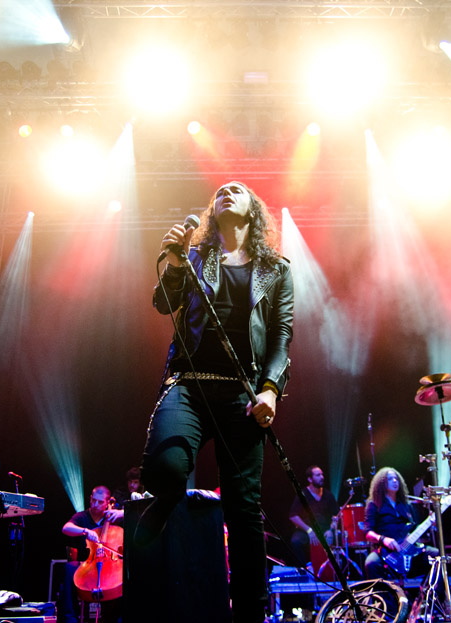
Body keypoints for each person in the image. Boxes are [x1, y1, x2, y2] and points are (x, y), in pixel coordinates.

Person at [137, 181, 294, 623]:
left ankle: (250, 615)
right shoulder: (192, 257)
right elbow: (162, 304)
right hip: (189, 383)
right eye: (220, 190)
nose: (226, 190)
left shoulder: (277, 270)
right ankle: (165, 502)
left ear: (253, 211)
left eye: (238, 189)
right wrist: (172, 261)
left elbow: (281, 335)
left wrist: (270, 389)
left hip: (243, 393)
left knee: (244, 512)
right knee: (165, 468)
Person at [58, 486, 125, 623]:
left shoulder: (113, 517)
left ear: (107, 502)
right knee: (69, 567)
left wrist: (123, 512)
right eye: (93, 500)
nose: (95, 505)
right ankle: (70, 619)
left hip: (110, 565)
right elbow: (66, 528)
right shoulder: (82, 516)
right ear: (90, 499)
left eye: (100, 502)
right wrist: (85, 531)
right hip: (86, 566)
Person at [363, 467, 416, 580]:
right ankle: (381, 597)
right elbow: (368, 533)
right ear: (382, 483)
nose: (395, 481)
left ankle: (427, 595)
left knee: (437, 555)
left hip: (407, 549)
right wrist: (383, 539)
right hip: (384, 551)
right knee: (371, 564)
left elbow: (414, 527)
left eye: (396, 478)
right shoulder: (374, 504)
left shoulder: (406, 504)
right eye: (390, 479)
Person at [288, 465, 339, 567]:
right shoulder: (303, 494)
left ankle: (336, 570)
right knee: (296, 542)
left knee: (341, 537)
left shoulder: (328, 495)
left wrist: (331, 530)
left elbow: (336, 515)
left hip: (325, 530)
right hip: (308, 531)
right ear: (310, 479)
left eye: (322, 474)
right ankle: (305, 570)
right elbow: (293, 515)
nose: (322, 477)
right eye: (318, 475)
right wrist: (309, 530)